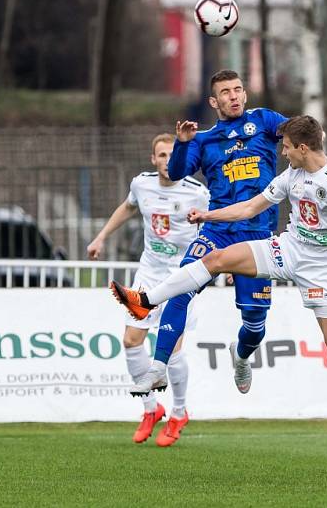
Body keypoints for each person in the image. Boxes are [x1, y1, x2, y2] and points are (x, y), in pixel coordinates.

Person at [111, 115, 327, 463]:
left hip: (323, 270)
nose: (282, 152)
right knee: (217, 258)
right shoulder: (292, 175)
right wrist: (208, 217)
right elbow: (250, 207)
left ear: (303, 148)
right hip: (287, 250)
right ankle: (145, 300)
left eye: (286, 147)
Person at [117, 69, 288, 397]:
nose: (234, 96)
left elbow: (297, 133)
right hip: (218, 231)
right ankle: (157, 368)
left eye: (238, 90)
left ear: (245, 94)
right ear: (214, 101)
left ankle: (241, 355)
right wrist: (181, 145)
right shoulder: (205, 140)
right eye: (226, 92)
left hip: (257, 236)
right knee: (182, 286)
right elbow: (178, 171)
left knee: (254, 322)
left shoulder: (264, 120)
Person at [87, 133, 209, 447]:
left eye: (173, 155)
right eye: (162, 156)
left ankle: (179, 413)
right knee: (130, 341)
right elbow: (127, 208)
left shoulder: (198, 192)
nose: (168, 162)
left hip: (183, 276)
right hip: (150, 273)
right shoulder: (141, 184)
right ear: (153, 160)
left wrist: (225, 264)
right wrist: (101, 238)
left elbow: (216, 225)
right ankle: (150, 409)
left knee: (173, 350)